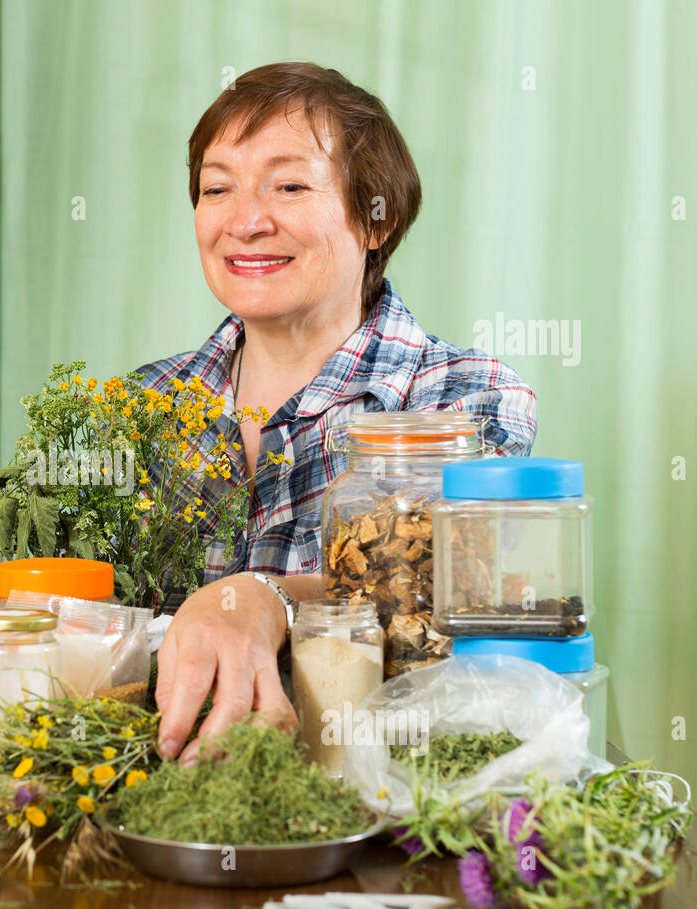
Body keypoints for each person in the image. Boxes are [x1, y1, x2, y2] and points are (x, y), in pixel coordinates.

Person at [142, 63, 537, 764]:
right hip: (166, 805)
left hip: (390, 812)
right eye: (216, 188)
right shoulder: (144, 404)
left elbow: (430, 590)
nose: (246, 220)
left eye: (290, 185)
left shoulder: (464, 399)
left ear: (375, 217)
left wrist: (265, 598)